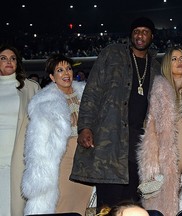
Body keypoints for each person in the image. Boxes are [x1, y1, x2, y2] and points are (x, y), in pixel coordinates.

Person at [70, 17, 161, 209]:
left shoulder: (155, 66)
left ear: (152, 36)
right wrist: (85, 127)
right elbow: (92, 91)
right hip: (110, 144)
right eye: (136, 31)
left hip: (139, 147)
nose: (140, 35)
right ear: (131, 34)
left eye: (145, 31)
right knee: (108, 207)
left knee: (134, 206)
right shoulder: (112, 54)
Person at [22, 54, 93, 215]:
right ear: (52, 77)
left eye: (68, 69)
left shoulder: (88, 93)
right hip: (64, 156)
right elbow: (36, 141)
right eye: (60, 70)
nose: (66, 73)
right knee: (63, 200)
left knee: (86, 201)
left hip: (88, 155)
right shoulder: (44, 102)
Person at [137, 47, 182, 216]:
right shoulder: (160, 90)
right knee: (167, 208)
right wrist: (152, 162)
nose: (179, 62)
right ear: (167, 64)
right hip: (168, 158)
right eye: (174, 59)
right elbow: (151, 130)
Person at [0, 44, 40, 216]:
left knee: (16, 209)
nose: (9, 61)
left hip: (19, 159)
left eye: (12, 58)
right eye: (3, 58)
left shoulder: (31, 88)